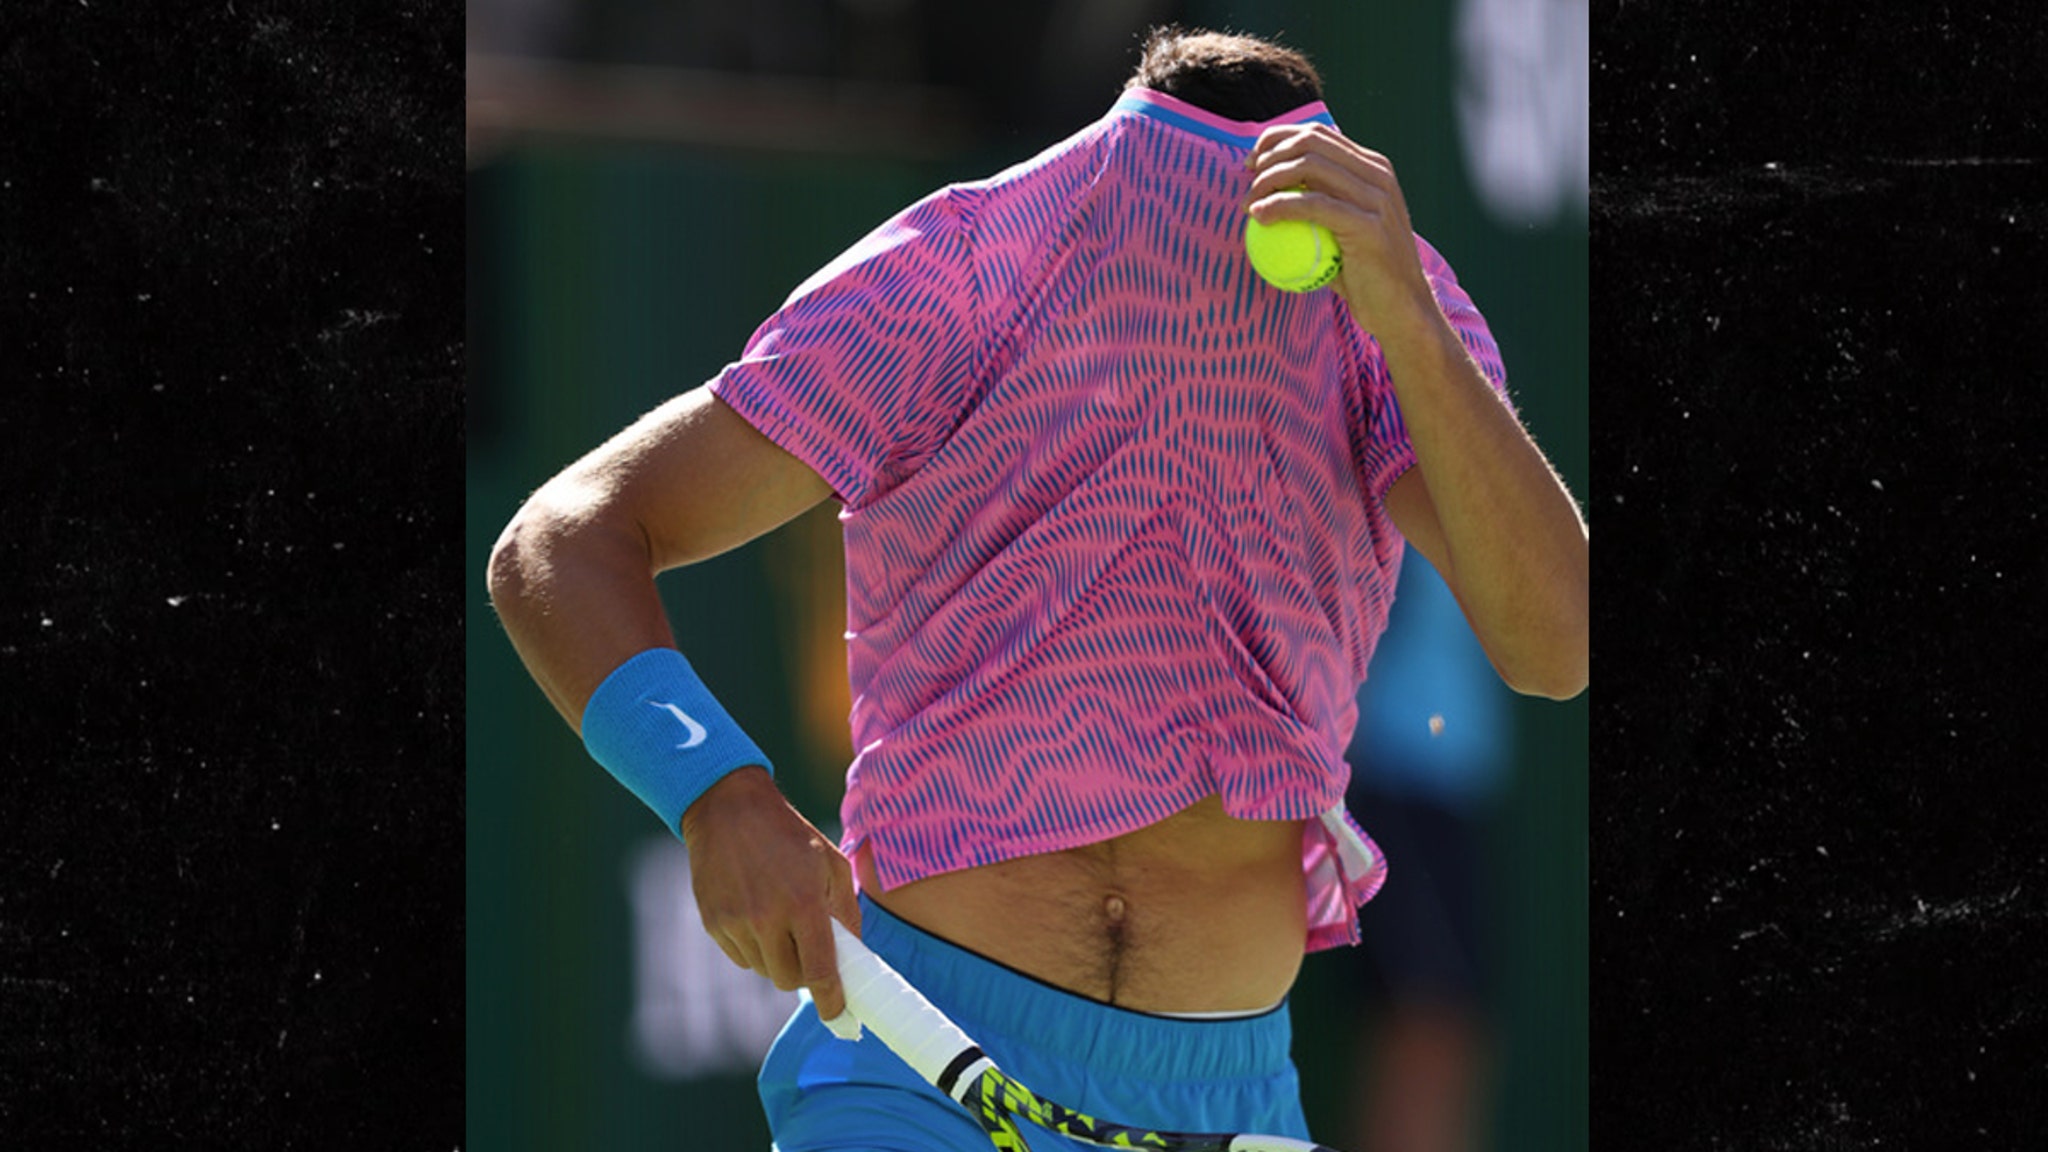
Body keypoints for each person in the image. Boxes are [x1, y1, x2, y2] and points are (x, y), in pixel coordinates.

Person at [487, 26, 1587, 1149]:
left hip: (1231, 1104)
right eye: (1152, 232)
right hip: (913, 1069)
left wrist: (1405, 317)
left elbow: (1556, 647)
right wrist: (715, 794)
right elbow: (561, 540)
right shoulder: (958, 268)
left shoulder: (1393, 312)